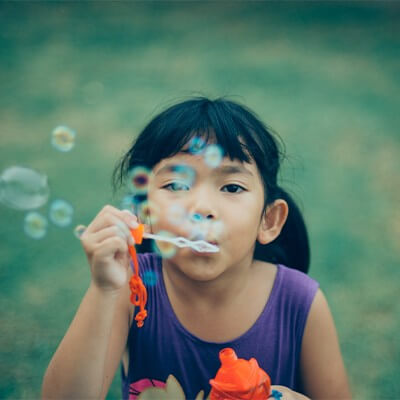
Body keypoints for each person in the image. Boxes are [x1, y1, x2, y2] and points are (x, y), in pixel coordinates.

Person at [42, 97, 351, 400]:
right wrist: (104, 289)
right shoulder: (130, 289)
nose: (201, 208)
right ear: (144, 213)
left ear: (268, 220)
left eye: (232, 187)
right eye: (176, 185)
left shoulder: (300, 303)